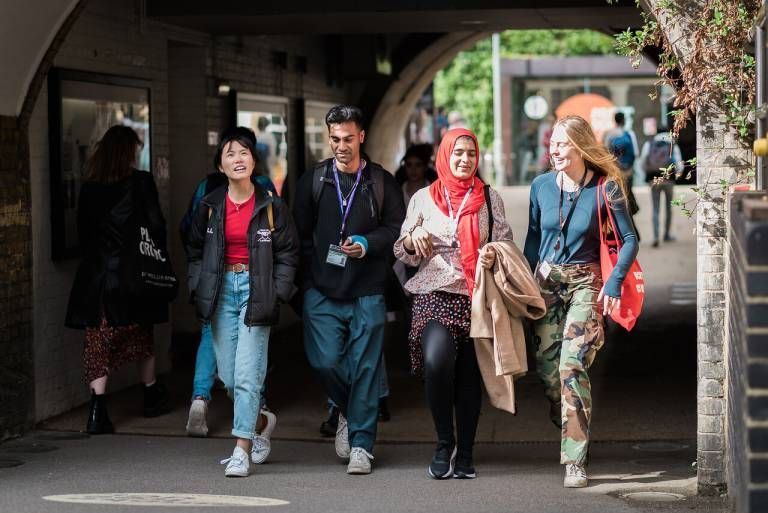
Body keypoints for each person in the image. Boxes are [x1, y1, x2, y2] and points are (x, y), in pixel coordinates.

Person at [523, 115, 639, 488]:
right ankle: (572, 421)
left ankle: (575, 459)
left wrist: (614, 283)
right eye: (552, 144)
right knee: (548, 371)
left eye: (561, 144)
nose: (554, 150)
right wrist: (521, 283)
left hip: (587, 284)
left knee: (571, 364)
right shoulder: (540, 186)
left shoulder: (608, 188)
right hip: (546, 283)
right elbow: (532, 238)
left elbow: (630, 240)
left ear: (579, 145)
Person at [394, 128, 514, 480]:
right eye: (457, 152)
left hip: (477, 296)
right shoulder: (422, 198)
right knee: (437, 361)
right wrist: (413, 240)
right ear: (444, 155)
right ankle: (444, 441)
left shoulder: (490, 199)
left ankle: (467, 453)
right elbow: (401, 250)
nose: (464, 159)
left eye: (471, 153)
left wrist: (491, 253)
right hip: (433, 293)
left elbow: (506, 243)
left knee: (468, 376)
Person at [294, 105, 405, 475]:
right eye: (335, 139)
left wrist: (367, 243)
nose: (341, 146)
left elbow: (396, 231)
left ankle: (361, 445)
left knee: (367, 368)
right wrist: (308, 283)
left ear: (361, 137)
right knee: (324, 361)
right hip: (322, 291)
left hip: (368, 290)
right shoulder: (314, 181)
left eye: (348, 138)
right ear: (329, 138)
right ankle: (348, 409)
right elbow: (299, 236)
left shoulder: (380, 181)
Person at [185, 127, 299, 477]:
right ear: (220, 164)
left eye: (244, 152)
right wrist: (197, 285)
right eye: (230, 154)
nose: (238, 159)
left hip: (257, 289)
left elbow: (289, 252)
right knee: (230, 379)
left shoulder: (270, 204)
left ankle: (241, 450)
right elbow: (193, 250)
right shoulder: (209, 206)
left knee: (249, 375)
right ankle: (261, 421)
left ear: (254, 160)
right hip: (221, 292)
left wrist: (276, 291)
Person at [65, 125, 171, 434]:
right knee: (141, 334)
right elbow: (156, 225)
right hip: (133, 275)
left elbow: (83, 233)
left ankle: (97, 410)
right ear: (128, 152)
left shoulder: (90, 187)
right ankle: (150, 394)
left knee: (99, 341)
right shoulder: (140, 182)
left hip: (98, 278)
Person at [639, 126, 684, 247]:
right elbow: (679, 164)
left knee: (655, 208)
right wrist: (677, 175)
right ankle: (666, 234)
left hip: (654, 180)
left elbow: (643, 162)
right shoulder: (672, 145)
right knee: (668, 208)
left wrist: (647, 174)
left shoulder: (649, 144)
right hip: (669, 179)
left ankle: (655, 236)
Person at [604, 111, 640, 218]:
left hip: (614, 172)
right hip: (628, 172)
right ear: (623, 120)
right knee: (628, 197)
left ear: (615, 120)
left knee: (616, 198)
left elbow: (606, 154)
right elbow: (636, 153)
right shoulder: (629, 134)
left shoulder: (609, 134)